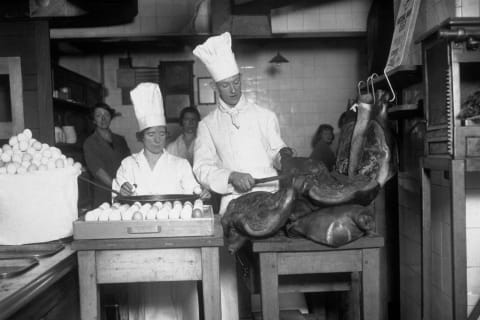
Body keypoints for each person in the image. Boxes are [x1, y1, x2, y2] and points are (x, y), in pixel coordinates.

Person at [192, 31, 294, 320]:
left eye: (236, 83)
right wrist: (229, 176)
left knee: (271, 279)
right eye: (226, 85)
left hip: (269, 205)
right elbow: (202, 168)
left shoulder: (264, 116)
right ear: (215, 87)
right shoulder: (208, 125)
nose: (233, 90)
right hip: (233, 210)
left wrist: (285, 154)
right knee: (235, 284)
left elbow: (277, 149)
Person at [112, 82, 208, 320]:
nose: (157, 139)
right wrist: (121, 190)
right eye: (151, 134)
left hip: (174, 240)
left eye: (161, 133)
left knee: (177, 291)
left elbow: (194, 191)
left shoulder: (179, 164)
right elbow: (115, 198)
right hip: (138, 241)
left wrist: (202, 193)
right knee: (144, 292)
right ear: (140, 136)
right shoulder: (128, 164)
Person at [83, 102, 130, 207]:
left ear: (111, 117)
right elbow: (98, 170)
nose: (103, 119)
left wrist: (127, 186)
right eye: (99, 115)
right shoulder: (90, 143)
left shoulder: (120, 140)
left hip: (124, 191)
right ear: (94, 120)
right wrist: (117, 187)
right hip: (103, 193)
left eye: (106, 115)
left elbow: (129, 163)